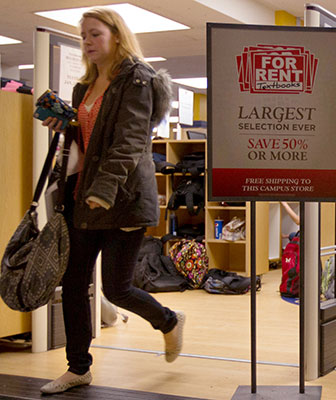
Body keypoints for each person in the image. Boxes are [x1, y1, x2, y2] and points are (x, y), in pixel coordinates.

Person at [39, 8, 183, 394]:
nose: (86, 43)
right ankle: (78, 367)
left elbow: (130, 142)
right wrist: (65, 125)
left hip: (122, 197)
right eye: (83, 36)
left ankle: (168, 320)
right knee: (73, 284)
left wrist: (103, 191)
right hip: (83, 197)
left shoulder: (138, 78)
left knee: (117, 289)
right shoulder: (83, 88)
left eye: (94, 34)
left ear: (116, 35)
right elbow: (88, 142)